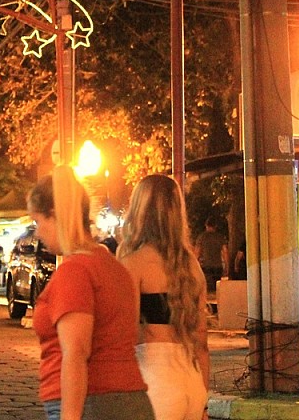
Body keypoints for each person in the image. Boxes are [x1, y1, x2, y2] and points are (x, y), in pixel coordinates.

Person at [27, 166, 152, 420]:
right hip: (129, 396)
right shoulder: (113, 267)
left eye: (37, 221)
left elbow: (75, 353)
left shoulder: (75, 271)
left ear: (55, 215)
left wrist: (70, 416)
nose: (37, 232)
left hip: (92, 401)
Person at [118, 174, 210, 420]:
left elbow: (124, 338)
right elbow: (201, 341)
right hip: (191, 382)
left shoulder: (133, 265)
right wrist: (203, 402)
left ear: (138, 210)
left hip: (153, 381)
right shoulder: (192, 267)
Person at [195, 216, 227, 296]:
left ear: (206, 225)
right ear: (215, 226)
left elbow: (197, 253)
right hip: (218, 266)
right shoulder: (220, 237)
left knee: (207, 290)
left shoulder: (201, 237)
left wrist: (195, 265)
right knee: (217, 290)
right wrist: (227, 266)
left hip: (206, 266)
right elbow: (225, 252)